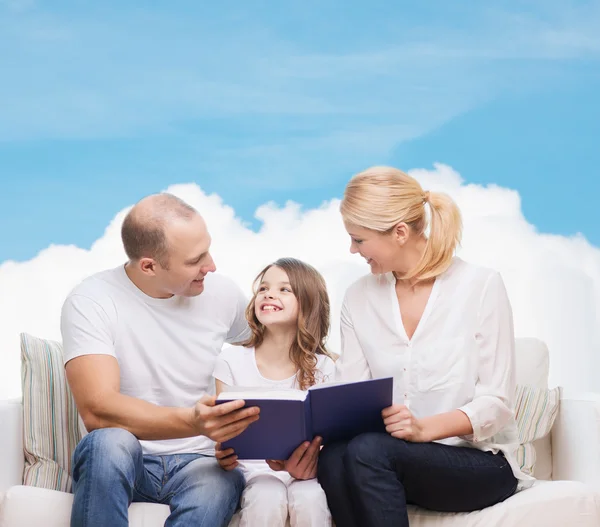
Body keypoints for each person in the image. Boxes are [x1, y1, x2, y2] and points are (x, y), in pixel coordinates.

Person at [317, 166, 535, 527]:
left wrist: (423, 429)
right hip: (388, 460)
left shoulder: (480, 285)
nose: (352, 249)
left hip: (478, 463)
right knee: (333, 457)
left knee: (368, 451)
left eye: (359, 239)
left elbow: (496, 403)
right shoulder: (358, 297)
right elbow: (351, 396)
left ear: (399, 233)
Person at [61, 193, 261, 527]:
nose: (210, 266)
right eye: (195, 260)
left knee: (219, 480)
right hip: (130, 460)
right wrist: (193, 421)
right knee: (108, 443)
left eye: (208, 250)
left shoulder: (222, 293)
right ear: (149, 266)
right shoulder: (92, 300)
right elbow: (98, 409)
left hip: (203, 462)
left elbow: (275, 352)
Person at [213, 258, 335, 527]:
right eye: (264, 288)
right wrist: (221, 452)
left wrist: (309, 463)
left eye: (284, 289)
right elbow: (224, 432)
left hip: (306, 474)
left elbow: (331, 438)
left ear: (308, 303)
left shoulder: (325, 367)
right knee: (266, 495)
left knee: (310, 497)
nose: (269, 294)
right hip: (253, 473)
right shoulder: (231, 362)